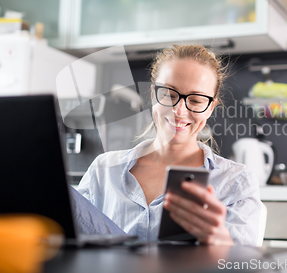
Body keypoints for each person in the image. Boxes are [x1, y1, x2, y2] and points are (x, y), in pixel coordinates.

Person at [75, 44, 263, 245]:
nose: (179, 110)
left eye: (197, 100)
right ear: (153, 94)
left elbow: (245, 265)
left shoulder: (236, 182)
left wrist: (223, 243)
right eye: (169, 94)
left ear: (210, 108)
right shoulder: (103, 170)